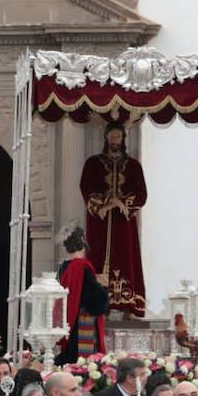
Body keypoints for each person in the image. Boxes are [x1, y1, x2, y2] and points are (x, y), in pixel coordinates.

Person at [80, 121, 147, 318]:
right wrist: (106, 204)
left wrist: (123, 203)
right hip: (99, 223)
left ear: (123, 139)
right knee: (98, 257)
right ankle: (99, 306)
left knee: (126, 257)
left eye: (118, 137)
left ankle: (128, 306)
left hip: (123, 223)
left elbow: (141, 192)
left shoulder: (133, 165)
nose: (115, 140)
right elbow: (86, 187)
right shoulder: (93, 163)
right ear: (106, 138)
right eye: (112, 137)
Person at [56, 226, 109, 364]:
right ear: (82, 242)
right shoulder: (82, 266)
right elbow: (95, 302)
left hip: (68, 324)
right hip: (82, 326)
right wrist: (103, 289)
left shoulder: (63, 267)